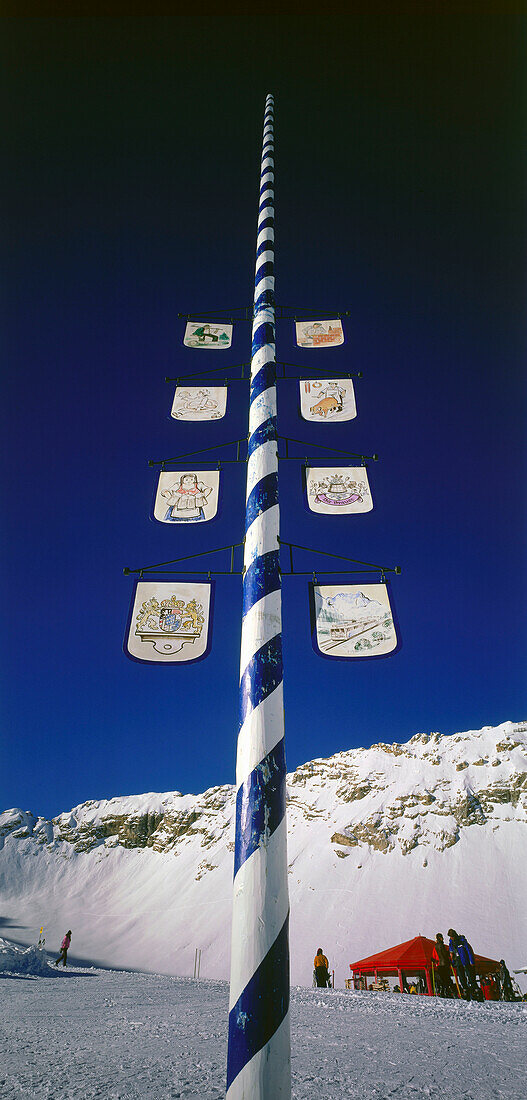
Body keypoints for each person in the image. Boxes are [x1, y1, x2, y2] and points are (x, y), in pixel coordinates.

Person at [448, 929, 478, 999]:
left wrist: (471, 961)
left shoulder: (462, 941)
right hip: (458, 962)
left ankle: (475, 990)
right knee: (462, 977)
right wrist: (452, 962)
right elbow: (451, 953)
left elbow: (468, 950)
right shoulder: (451, 943)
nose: (451, 937)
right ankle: (466, 990)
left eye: (452, 936)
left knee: (470, 977)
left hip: (465, 961)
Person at [432, 933, 455, 997]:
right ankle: (447, 992)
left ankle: (442, 992)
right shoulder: (441, 945)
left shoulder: (435, 946)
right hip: (444, 964)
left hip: (439, 965)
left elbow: (433, 956)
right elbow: (444, 955)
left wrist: (434, 961)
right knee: (446, 978)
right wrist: (449, 957)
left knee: (442, 979)